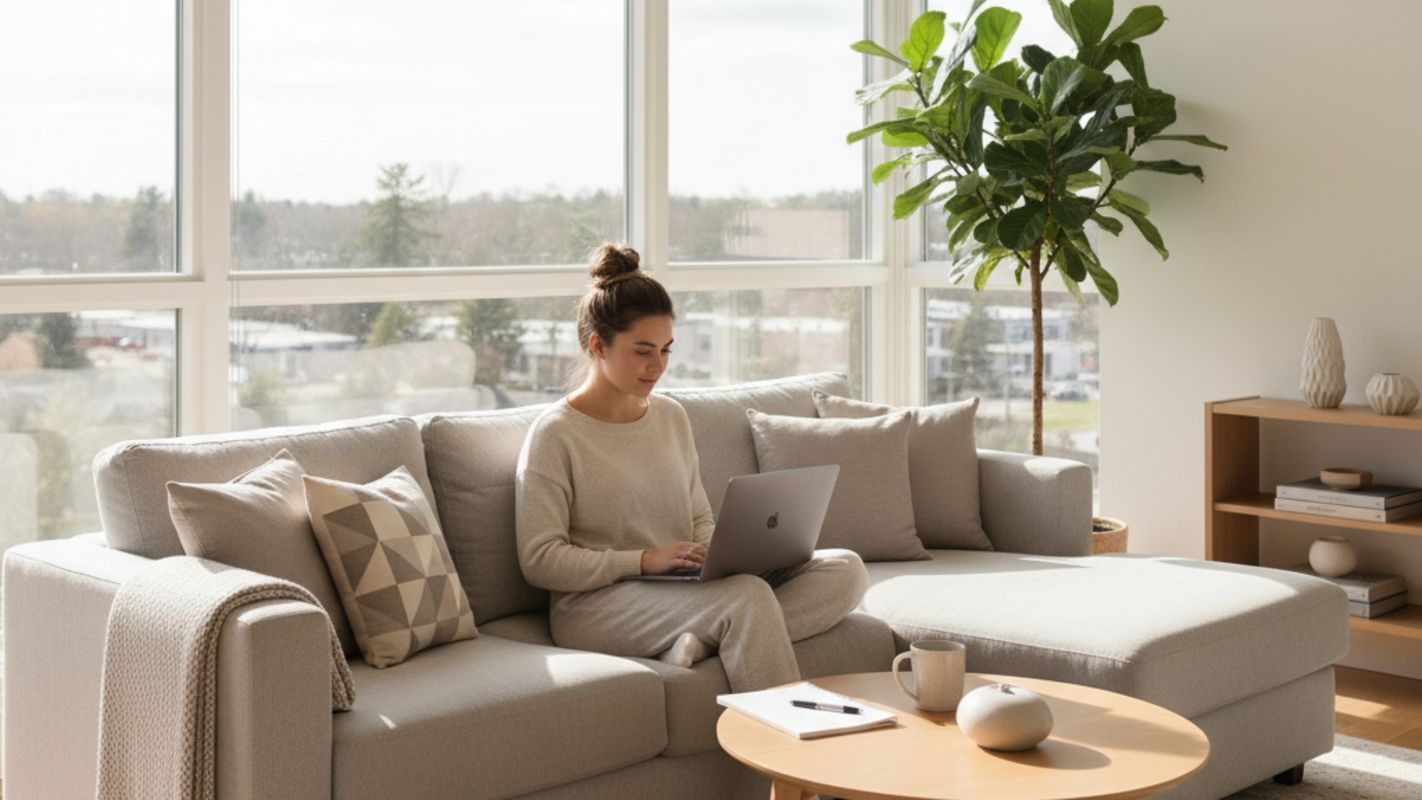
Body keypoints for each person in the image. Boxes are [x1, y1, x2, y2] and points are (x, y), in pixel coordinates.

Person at [514, 242, 869, 693]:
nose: (657, 366)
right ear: (596, 345)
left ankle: (701, 641)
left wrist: (720, 559)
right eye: (643, 351)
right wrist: (643, 560)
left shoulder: (670, 416)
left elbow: (698, 515)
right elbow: (540, 560)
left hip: (680, 591)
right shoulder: (556, 434)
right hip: (597, 606)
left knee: (845, 567)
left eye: (665, 350)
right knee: (746, 600)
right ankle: (782, 753)